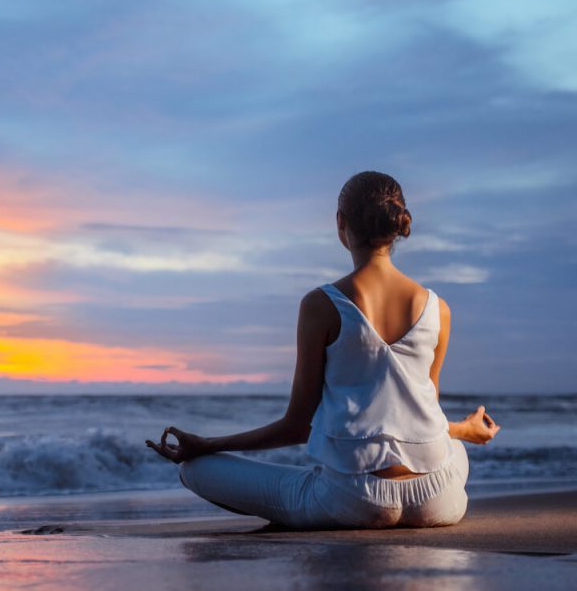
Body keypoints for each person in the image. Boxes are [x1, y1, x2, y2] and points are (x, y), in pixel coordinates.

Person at [146, 171, 500, 529]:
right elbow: (421, 420)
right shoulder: (438, 309)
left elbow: (296, 428)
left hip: (353, 500)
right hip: (437, 498)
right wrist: (463, 430)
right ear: (397, 223)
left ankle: (295, 512)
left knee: (197, 471)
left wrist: (206, 445)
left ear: (340, 223)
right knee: (453, 450)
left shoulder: (322, 304)